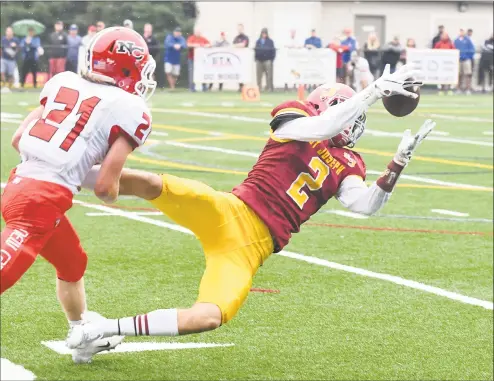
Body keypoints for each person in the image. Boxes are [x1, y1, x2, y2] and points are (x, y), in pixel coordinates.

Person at [68, 64, 436, 361]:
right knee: (154, 184)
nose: (356, 123)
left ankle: (105, 328)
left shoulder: (350, 162)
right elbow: (324, 126)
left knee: (209, 316)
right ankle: (69, 173)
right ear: (328, 106)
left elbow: (365, 204)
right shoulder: (296, 118)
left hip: (250, 250)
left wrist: (398, 163)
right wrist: (371, 93)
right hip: (230, 211)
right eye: (348, 111)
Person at [1, 26, 157, 364]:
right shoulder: (130, 107)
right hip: (40, 203)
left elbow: (18, 139)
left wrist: (70, 168)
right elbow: (105, 188)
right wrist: (134, 188)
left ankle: (81, 330)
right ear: (127, 68)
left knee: (72, 263)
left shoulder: (63, 82)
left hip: (21, 187)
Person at [186, 27, 211, 92]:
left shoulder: (203, 39)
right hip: (192, 58)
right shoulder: (191, 38)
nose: (198, 33)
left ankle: (204, 87)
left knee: (203, 72)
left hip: (201, 60)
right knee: (192, 73)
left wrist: (203, 45)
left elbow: (209, 45)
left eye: (199, 32)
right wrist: (196, 45)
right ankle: (192, 88)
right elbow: (188, 44)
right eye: (197, 32)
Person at [455, 28, 475, 94]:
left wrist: (467, 55)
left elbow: (472, 49)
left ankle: (468, 89)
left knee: (468, 74)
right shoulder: (456, 40)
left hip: (466, 59)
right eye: (460, 31)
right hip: (458, 60)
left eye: (462, 31)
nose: (461, 33)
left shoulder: (468, 40)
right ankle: (458, 89)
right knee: (459, 75)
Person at [255, 28, 276, 92]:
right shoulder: (258, 41)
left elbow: (273, 51)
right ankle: (259, 88)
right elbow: (256, 50)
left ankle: (269, 88)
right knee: (259, 75)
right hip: (259, 60)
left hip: (267, 60)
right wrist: (256, 58)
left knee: (269, 75)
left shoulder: (270, 41)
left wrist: (271, 59)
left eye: (265, 33)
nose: (264, 34)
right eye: (263, 33)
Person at [233, 24, 249, 92]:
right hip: (237, 58)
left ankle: (244, 87)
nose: (239, 30)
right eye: (238, 28)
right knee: (238, 73)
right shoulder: (236, 37)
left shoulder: (245, 37)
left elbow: (244, 45)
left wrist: (238, 45)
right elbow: (233, 45)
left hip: (244, 58)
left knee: (244, 73)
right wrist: (238, 45)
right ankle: (240, 87)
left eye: (240, 28)